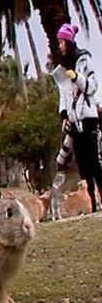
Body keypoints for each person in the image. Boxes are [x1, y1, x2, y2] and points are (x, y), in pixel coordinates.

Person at [53, 23, 100, 213]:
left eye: (62, 41)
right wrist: (64, 115)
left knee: (95, 163)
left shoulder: (84, 59)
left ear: (69, 42)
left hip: (88, 118)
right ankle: (93, 205)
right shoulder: (61, 68)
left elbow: (92, 87)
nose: (60, 45)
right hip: (74, 122)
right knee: (84, 168)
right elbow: (63, 94)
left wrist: (76, 77)